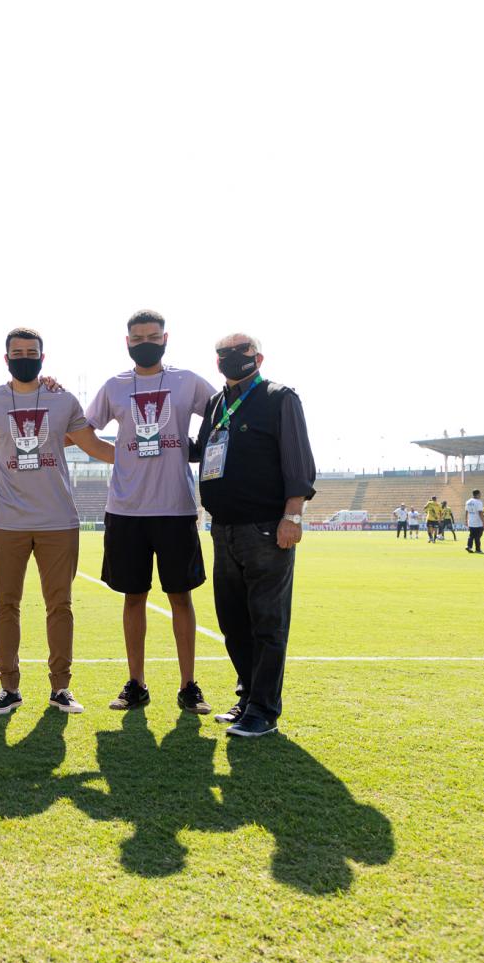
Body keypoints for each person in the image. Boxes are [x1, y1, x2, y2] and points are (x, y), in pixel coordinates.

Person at [0, 327, 113, 716]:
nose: (25, 357)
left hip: (58, 520)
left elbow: (93, 446)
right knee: (5, 604)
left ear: (43, 358)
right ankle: (8, 688)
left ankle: (61, 688)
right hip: (6, 521)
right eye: (18, 352)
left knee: (59, 604)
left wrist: (145, 454)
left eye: (32, 351)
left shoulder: (63, 400)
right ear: (6, 358)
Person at [85, 309, 215, 714]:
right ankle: (136, 683)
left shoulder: (186, 380)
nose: (145, 342)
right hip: (126, 510)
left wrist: (199, 451)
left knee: (181, 598)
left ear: (165, 338)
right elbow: (83, 429)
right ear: (127, 342)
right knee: (133, 598)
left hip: (175, 508)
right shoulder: (114, 386)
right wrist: (119, 457)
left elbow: (221, 413)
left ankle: (189, 685)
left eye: (152, 336)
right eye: (137, 337)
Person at [195, 333, 316, 738]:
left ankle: (264, 710)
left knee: (267, 621)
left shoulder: (280, 398)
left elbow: (297, 460)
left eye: (240, 354)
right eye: (223, 355)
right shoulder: (216, 404)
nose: (230, 360)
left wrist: (292, 516)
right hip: (223, 528)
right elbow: (200, 450)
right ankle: (248, 695)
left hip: (266, 527)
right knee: (233, 621)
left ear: (258, 357)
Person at [464, 489, 484, 553]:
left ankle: (469, 546)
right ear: (478, 494)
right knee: (478, 536)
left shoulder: (468, 502)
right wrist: (483, 522)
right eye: (480, 494)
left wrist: (466, 520)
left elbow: (466, 511)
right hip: (478, 522)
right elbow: (480, 513)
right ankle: (478, 549)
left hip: (470, 521)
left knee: (471, 535)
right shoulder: (478, 502)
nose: (481, 495)